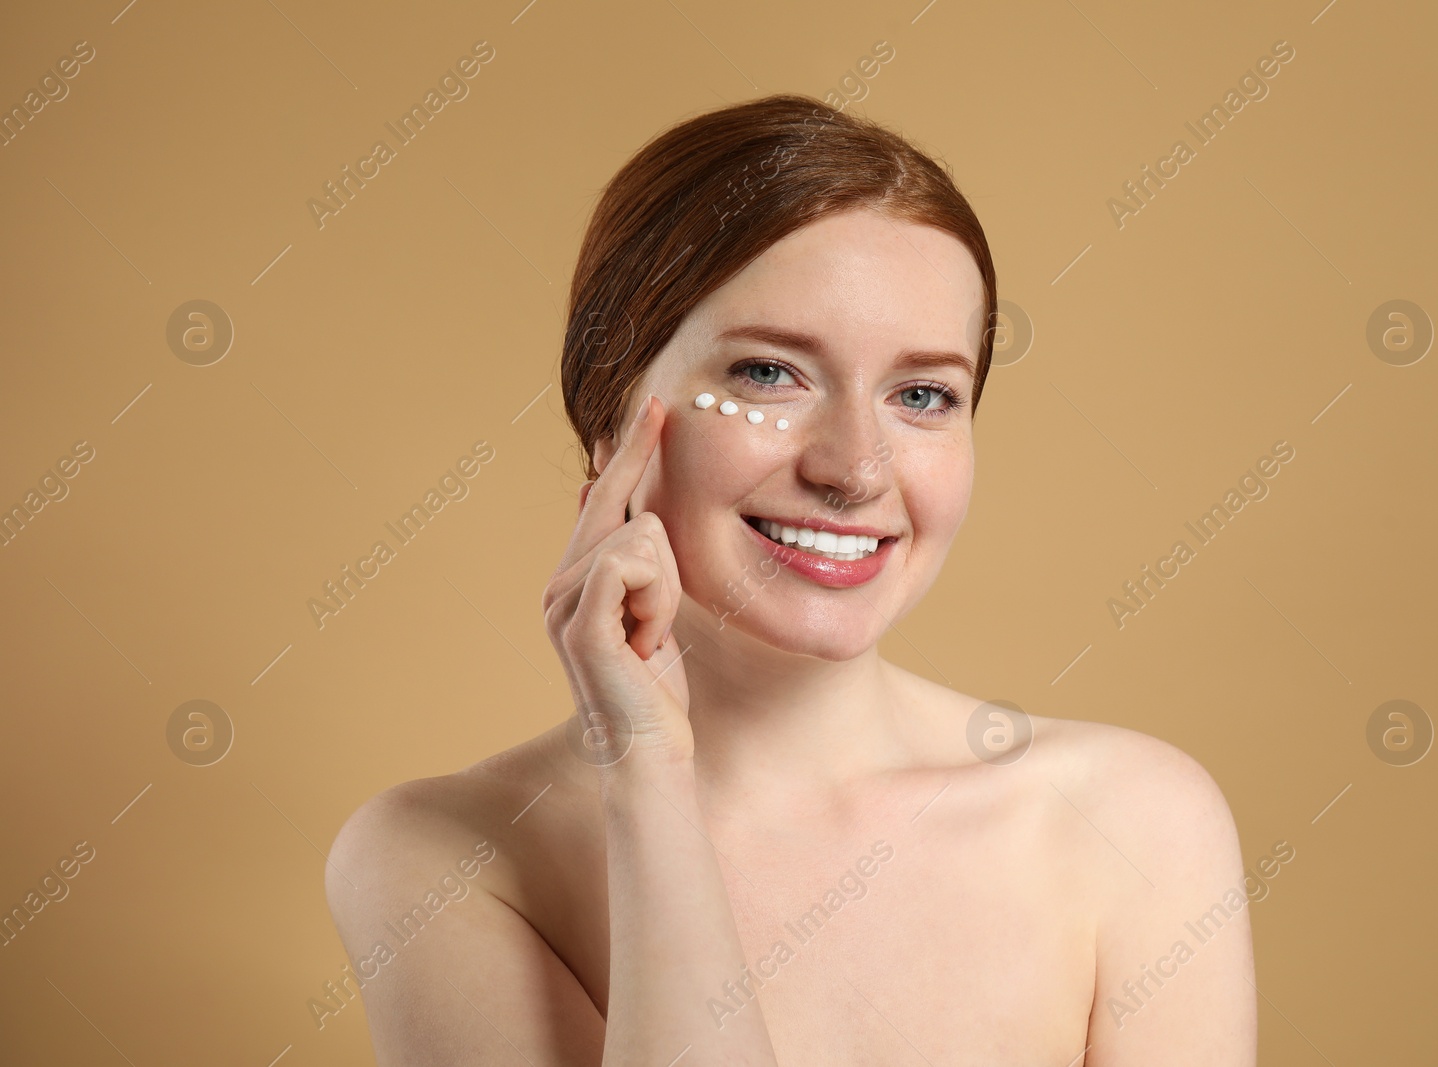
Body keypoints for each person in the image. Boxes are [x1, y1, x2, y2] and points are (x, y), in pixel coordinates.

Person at [325, 92, 1257, 1065]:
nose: (855, 467)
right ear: (610, 421)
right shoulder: (437, 856)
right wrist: (645, 775)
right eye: (770, 375)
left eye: (922, 394)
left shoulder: (1130, 823)